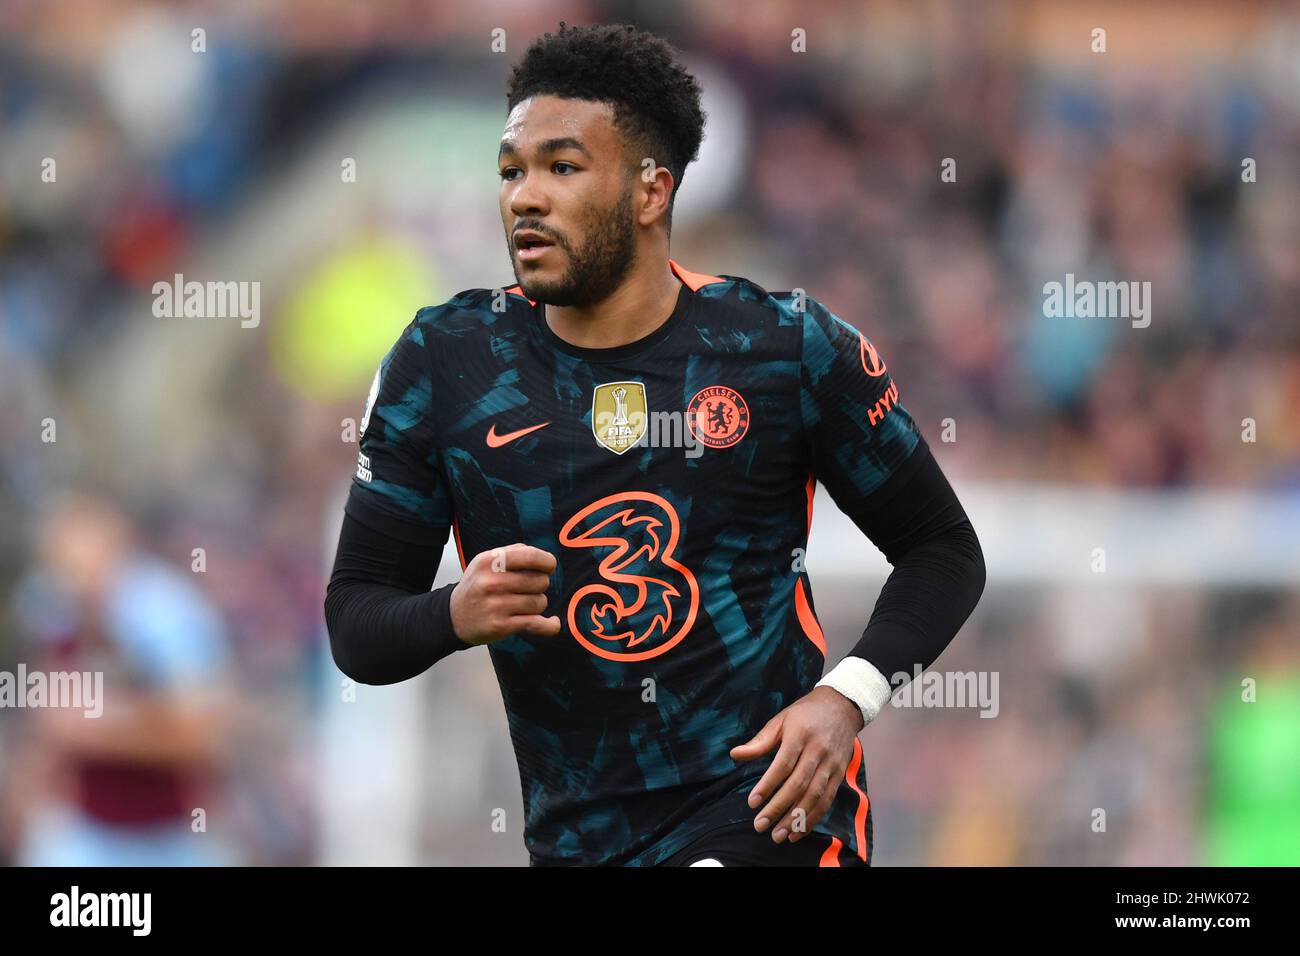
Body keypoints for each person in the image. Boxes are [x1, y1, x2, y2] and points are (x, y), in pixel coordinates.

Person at [325, 22, 985, 867]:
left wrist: (845, 700)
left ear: (650, 193)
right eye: (511, 170)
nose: (526, 195)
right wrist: (452, 614)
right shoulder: (445, 362)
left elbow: (944, 549)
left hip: (770, 816)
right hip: (577, 841)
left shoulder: (783, 348)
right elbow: (357, 622)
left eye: (562, 167)